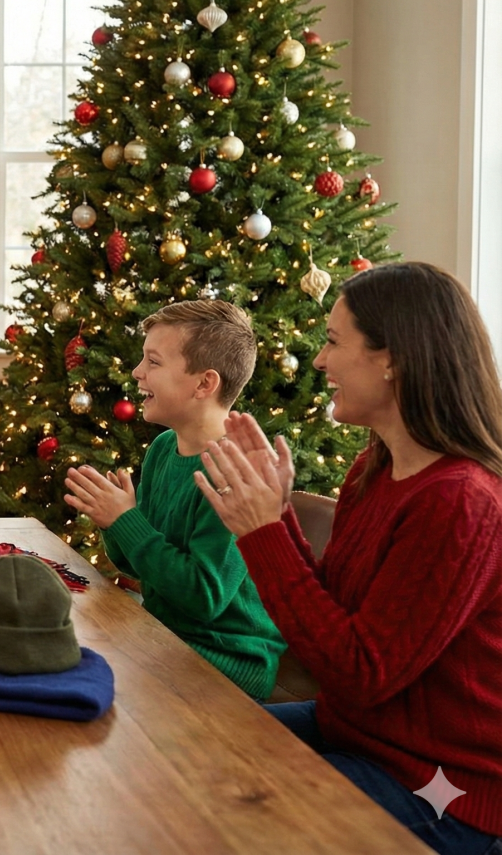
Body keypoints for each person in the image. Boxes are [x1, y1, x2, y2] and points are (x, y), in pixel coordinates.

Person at [196, 263, 502, 854]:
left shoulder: (461, 501)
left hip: (441, 788)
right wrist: (277, 512)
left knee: (219, 817)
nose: (319, 362)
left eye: (334, 342)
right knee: (181, 753)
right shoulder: (376, 468)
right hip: (356, 733)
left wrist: (263, 532)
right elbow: (330, 624)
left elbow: (360, 672)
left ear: (394, 359)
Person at [62, 301, 286, 700]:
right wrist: (116, 521)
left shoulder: (234, 472)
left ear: (204, 384)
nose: (137, 372)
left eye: (153, 361)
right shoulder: (165, 448)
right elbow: (141, 565)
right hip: (163, 637)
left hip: (222, 661)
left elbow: (203, 597)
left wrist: (129, 520)